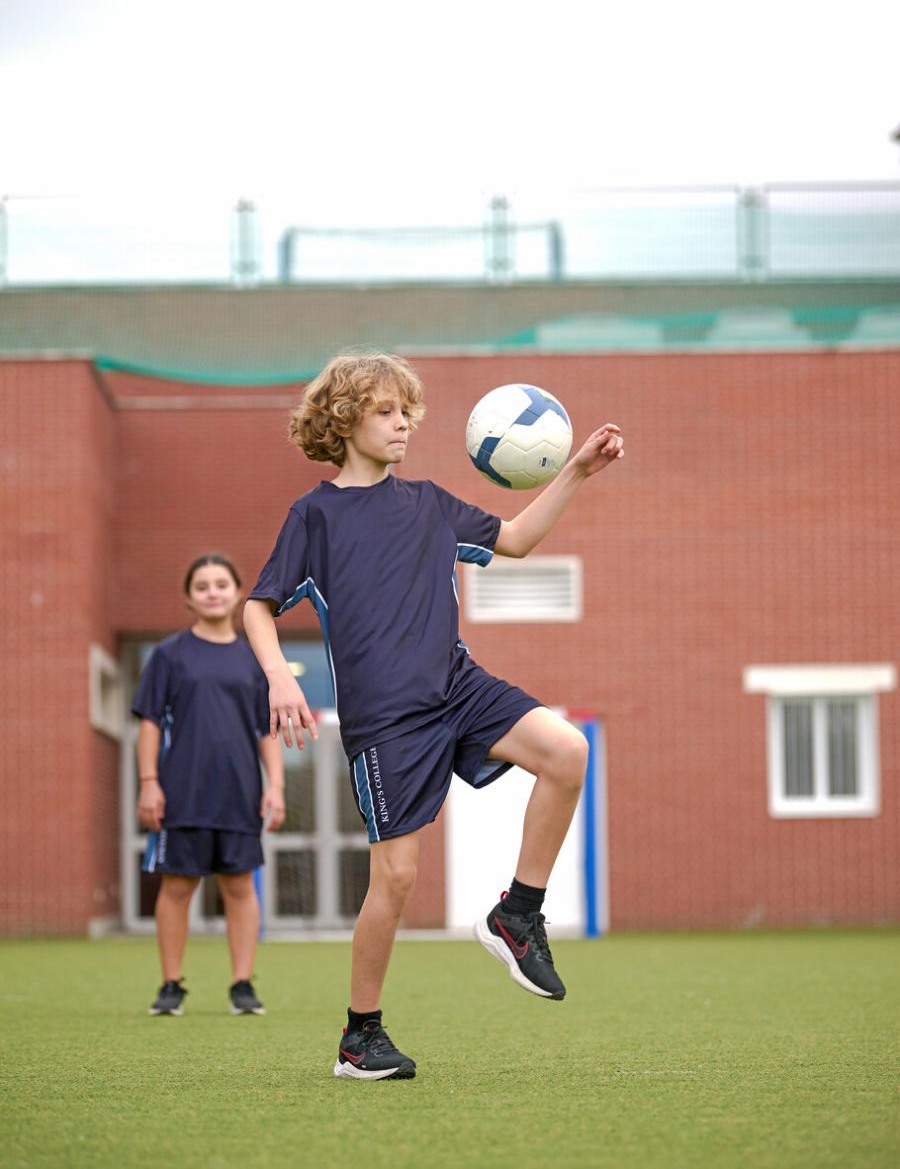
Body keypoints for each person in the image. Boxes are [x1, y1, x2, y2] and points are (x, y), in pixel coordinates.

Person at [243, 354, 624, 1080]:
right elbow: (258, 605)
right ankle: (360, 1038)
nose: (402, 425)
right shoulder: (314, 516)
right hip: (385, 719)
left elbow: (515, 539)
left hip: (457, 685)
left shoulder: (430, 503)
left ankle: (518, 913)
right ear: (345, 420)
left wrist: (576, 469)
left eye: (406, 413)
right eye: (385, 411)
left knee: (567, 750)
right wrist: (279, 678)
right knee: (395, 879)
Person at [134, 554, 285, 1017]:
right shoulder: (169, 655)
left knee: (240, 887)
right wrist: (149, 783)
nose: (213, 592)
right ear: (189, 598)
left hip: (240, 793)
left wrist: (276, 786)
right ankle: (170, 985)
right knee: (178, 887)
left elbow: (266, 730)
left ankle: (242, 984)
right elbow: (149, 723)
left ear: (238, 592)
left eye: (221, 583)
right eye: (202, 586)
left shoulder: (253, 658)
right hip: (182, 792)